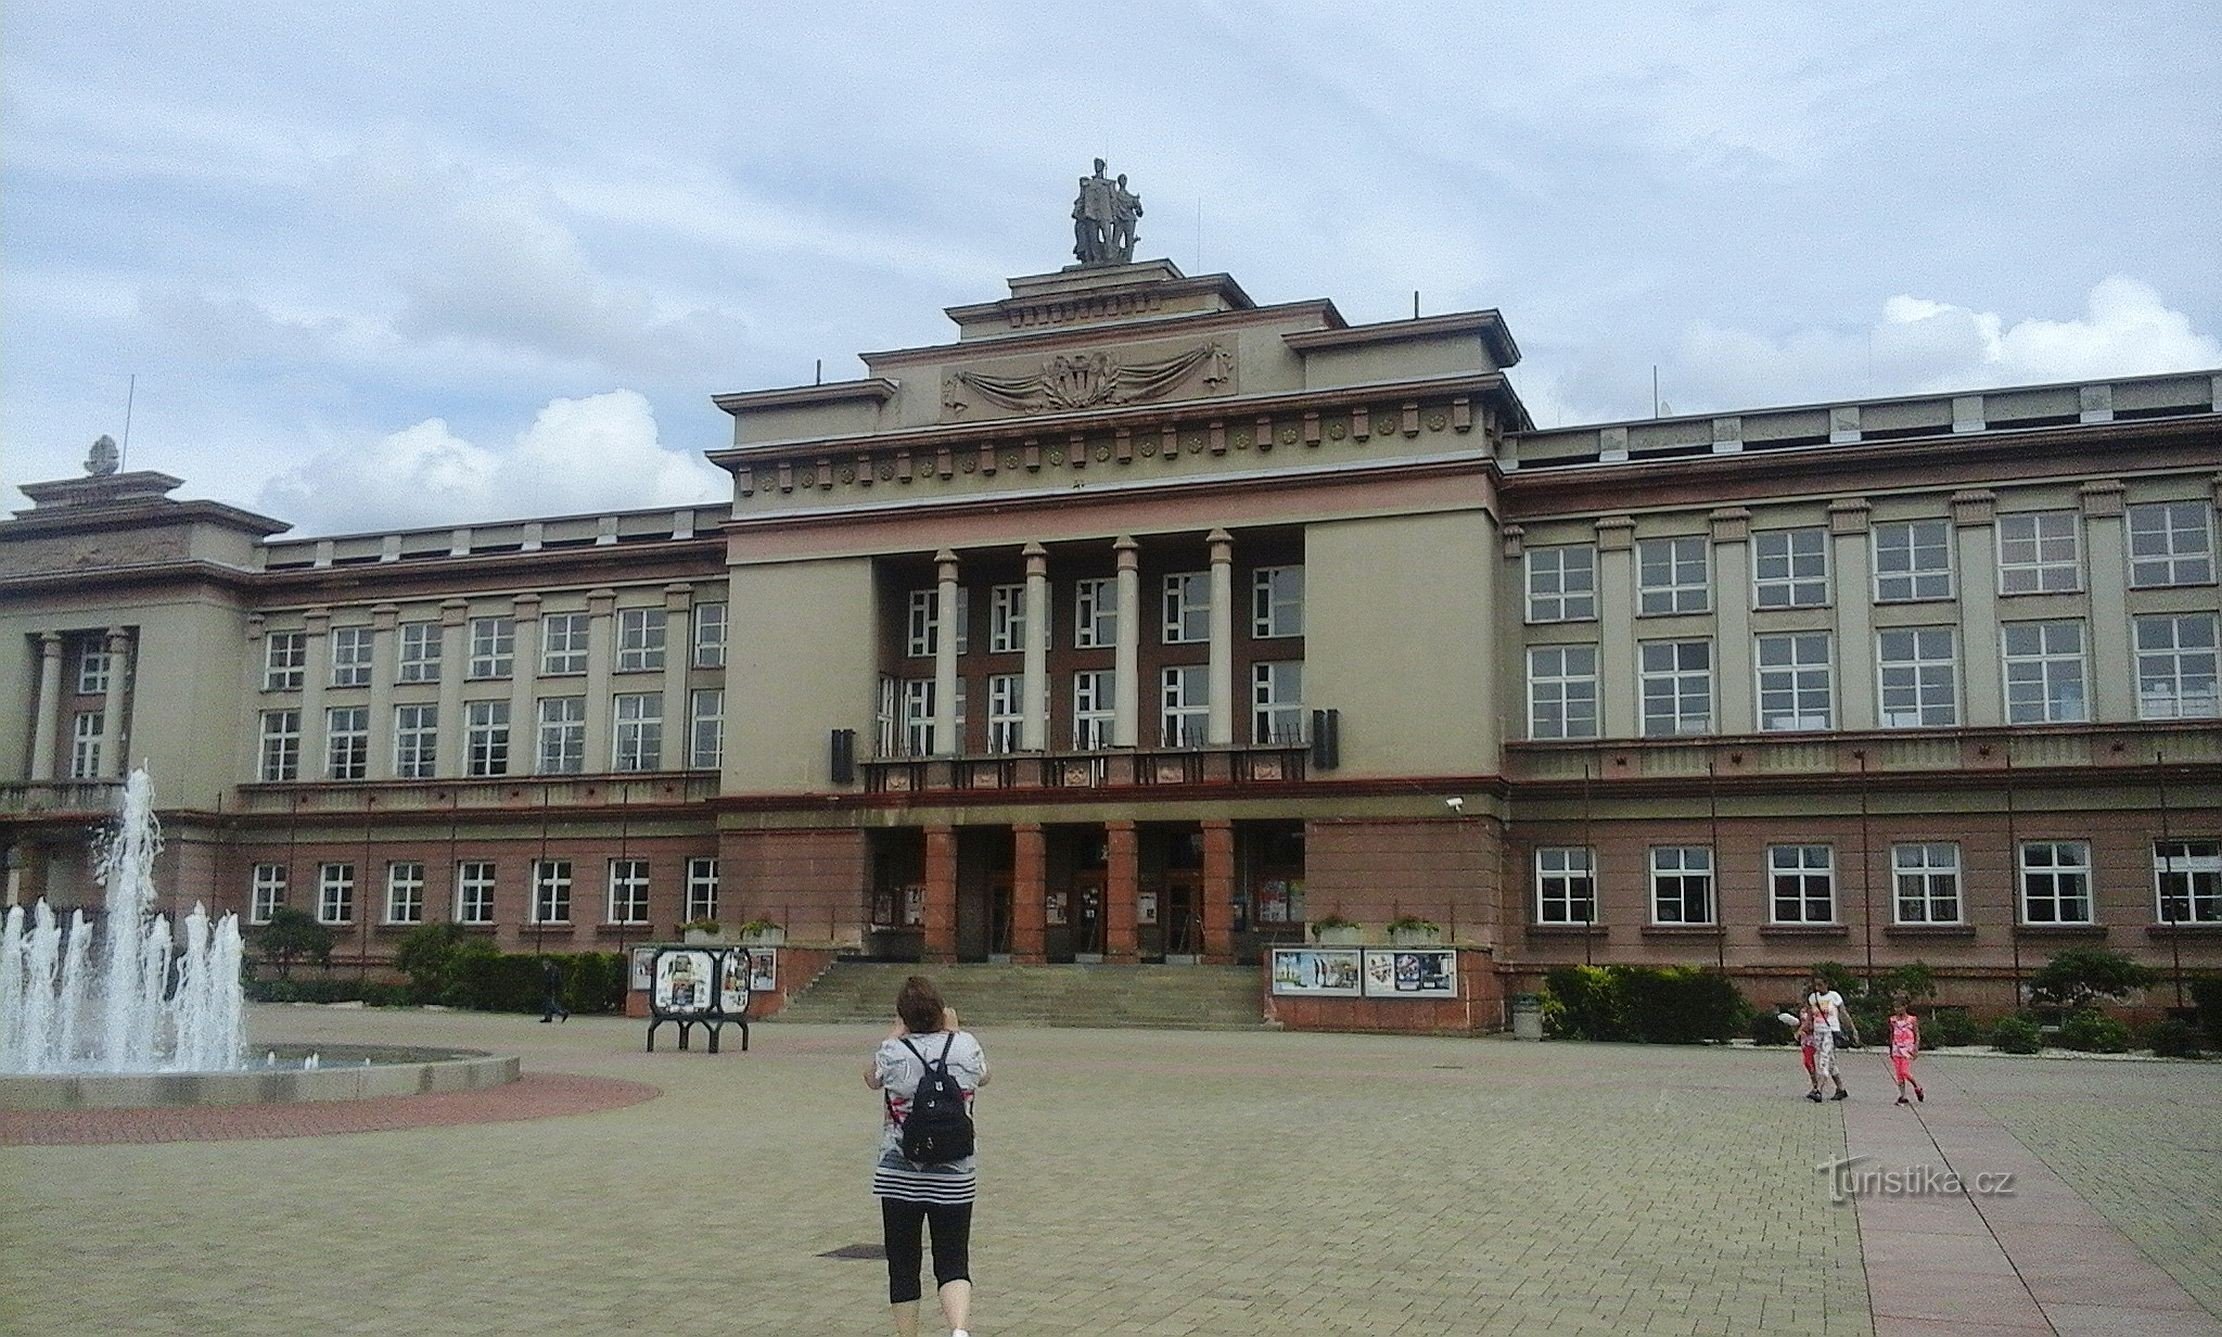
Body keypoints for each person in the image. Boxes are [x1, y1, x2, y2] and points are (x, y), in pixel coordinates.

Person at [865, 975, 988, 1337]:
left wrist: (893, 1035)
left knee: (903, 1262)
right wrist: (956, 1032)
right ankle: (959, 1329)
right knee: (953, 1259)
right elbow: (985, 1077)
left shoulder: (893, 1052)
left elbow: (872, 1079)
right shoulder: (965, 1047)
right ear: (940, 1010)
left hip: (899, 1174)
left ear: (903, 1016)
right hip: (954, 1173)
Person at [1805, 974, 1854, 1102]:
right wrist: (1805, 1028)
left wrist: (1852, 1029)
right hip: (1818, 1032)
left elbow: (1843, 1013)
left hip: (1830, 1032)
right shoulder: (1812, 998)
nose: (1818, 987)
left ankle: (1818, 1090)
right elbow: (1810, 1016)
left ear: (1827, 984)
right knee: (1830, 1063)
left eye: (1820, 984)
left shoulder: (1834, 996)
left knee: (1824, 1060)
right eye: (1816, 985)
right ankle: (1841, 1089)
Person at [1888, 998, 1926, 1106]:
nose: (1897, 1009)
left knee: (1905, 1071)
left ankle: (1917, 1086)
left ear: (1905, 1007)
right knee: (1899, 1073)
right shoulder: (1893, 1020)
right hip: (1896, 1048)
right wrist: (1891, 1048)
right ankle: (1902, 1095)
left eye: (1899, 1007)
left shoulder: (1912, 1019)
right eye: (1895, 1007)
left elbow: (1916, 1034)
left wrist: (1916, 1047)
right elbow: (1891, 1034)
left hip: (1907, 1048)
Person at [538, 957, 568, 1023]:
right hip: (551, 990)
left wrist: (546, 989)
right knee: (547, 1004)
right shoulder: (553, 970)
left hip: (549, 990)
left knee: (550, 1005)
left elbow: (549, 982)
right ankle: (548, 1017)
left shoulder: (550, 971)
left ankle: (563, 1013)